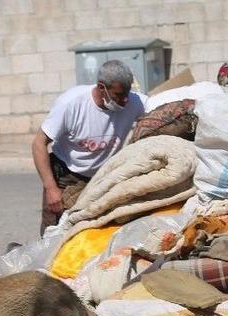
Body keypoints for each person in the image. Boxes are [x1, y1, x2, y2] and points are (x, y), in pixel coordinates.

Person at [32, 59, 146, 234]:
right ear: (102, 87)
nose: (124, 101)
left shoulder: (133, 102)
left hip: (103, 176)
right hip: (66, 176)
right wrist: (51, 188)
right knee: (55, 235)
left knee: (100, 231)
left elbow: (161, 106)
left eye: (127, 94)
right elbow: (39, 143)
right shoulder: (71, 104)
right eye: (118, 95)